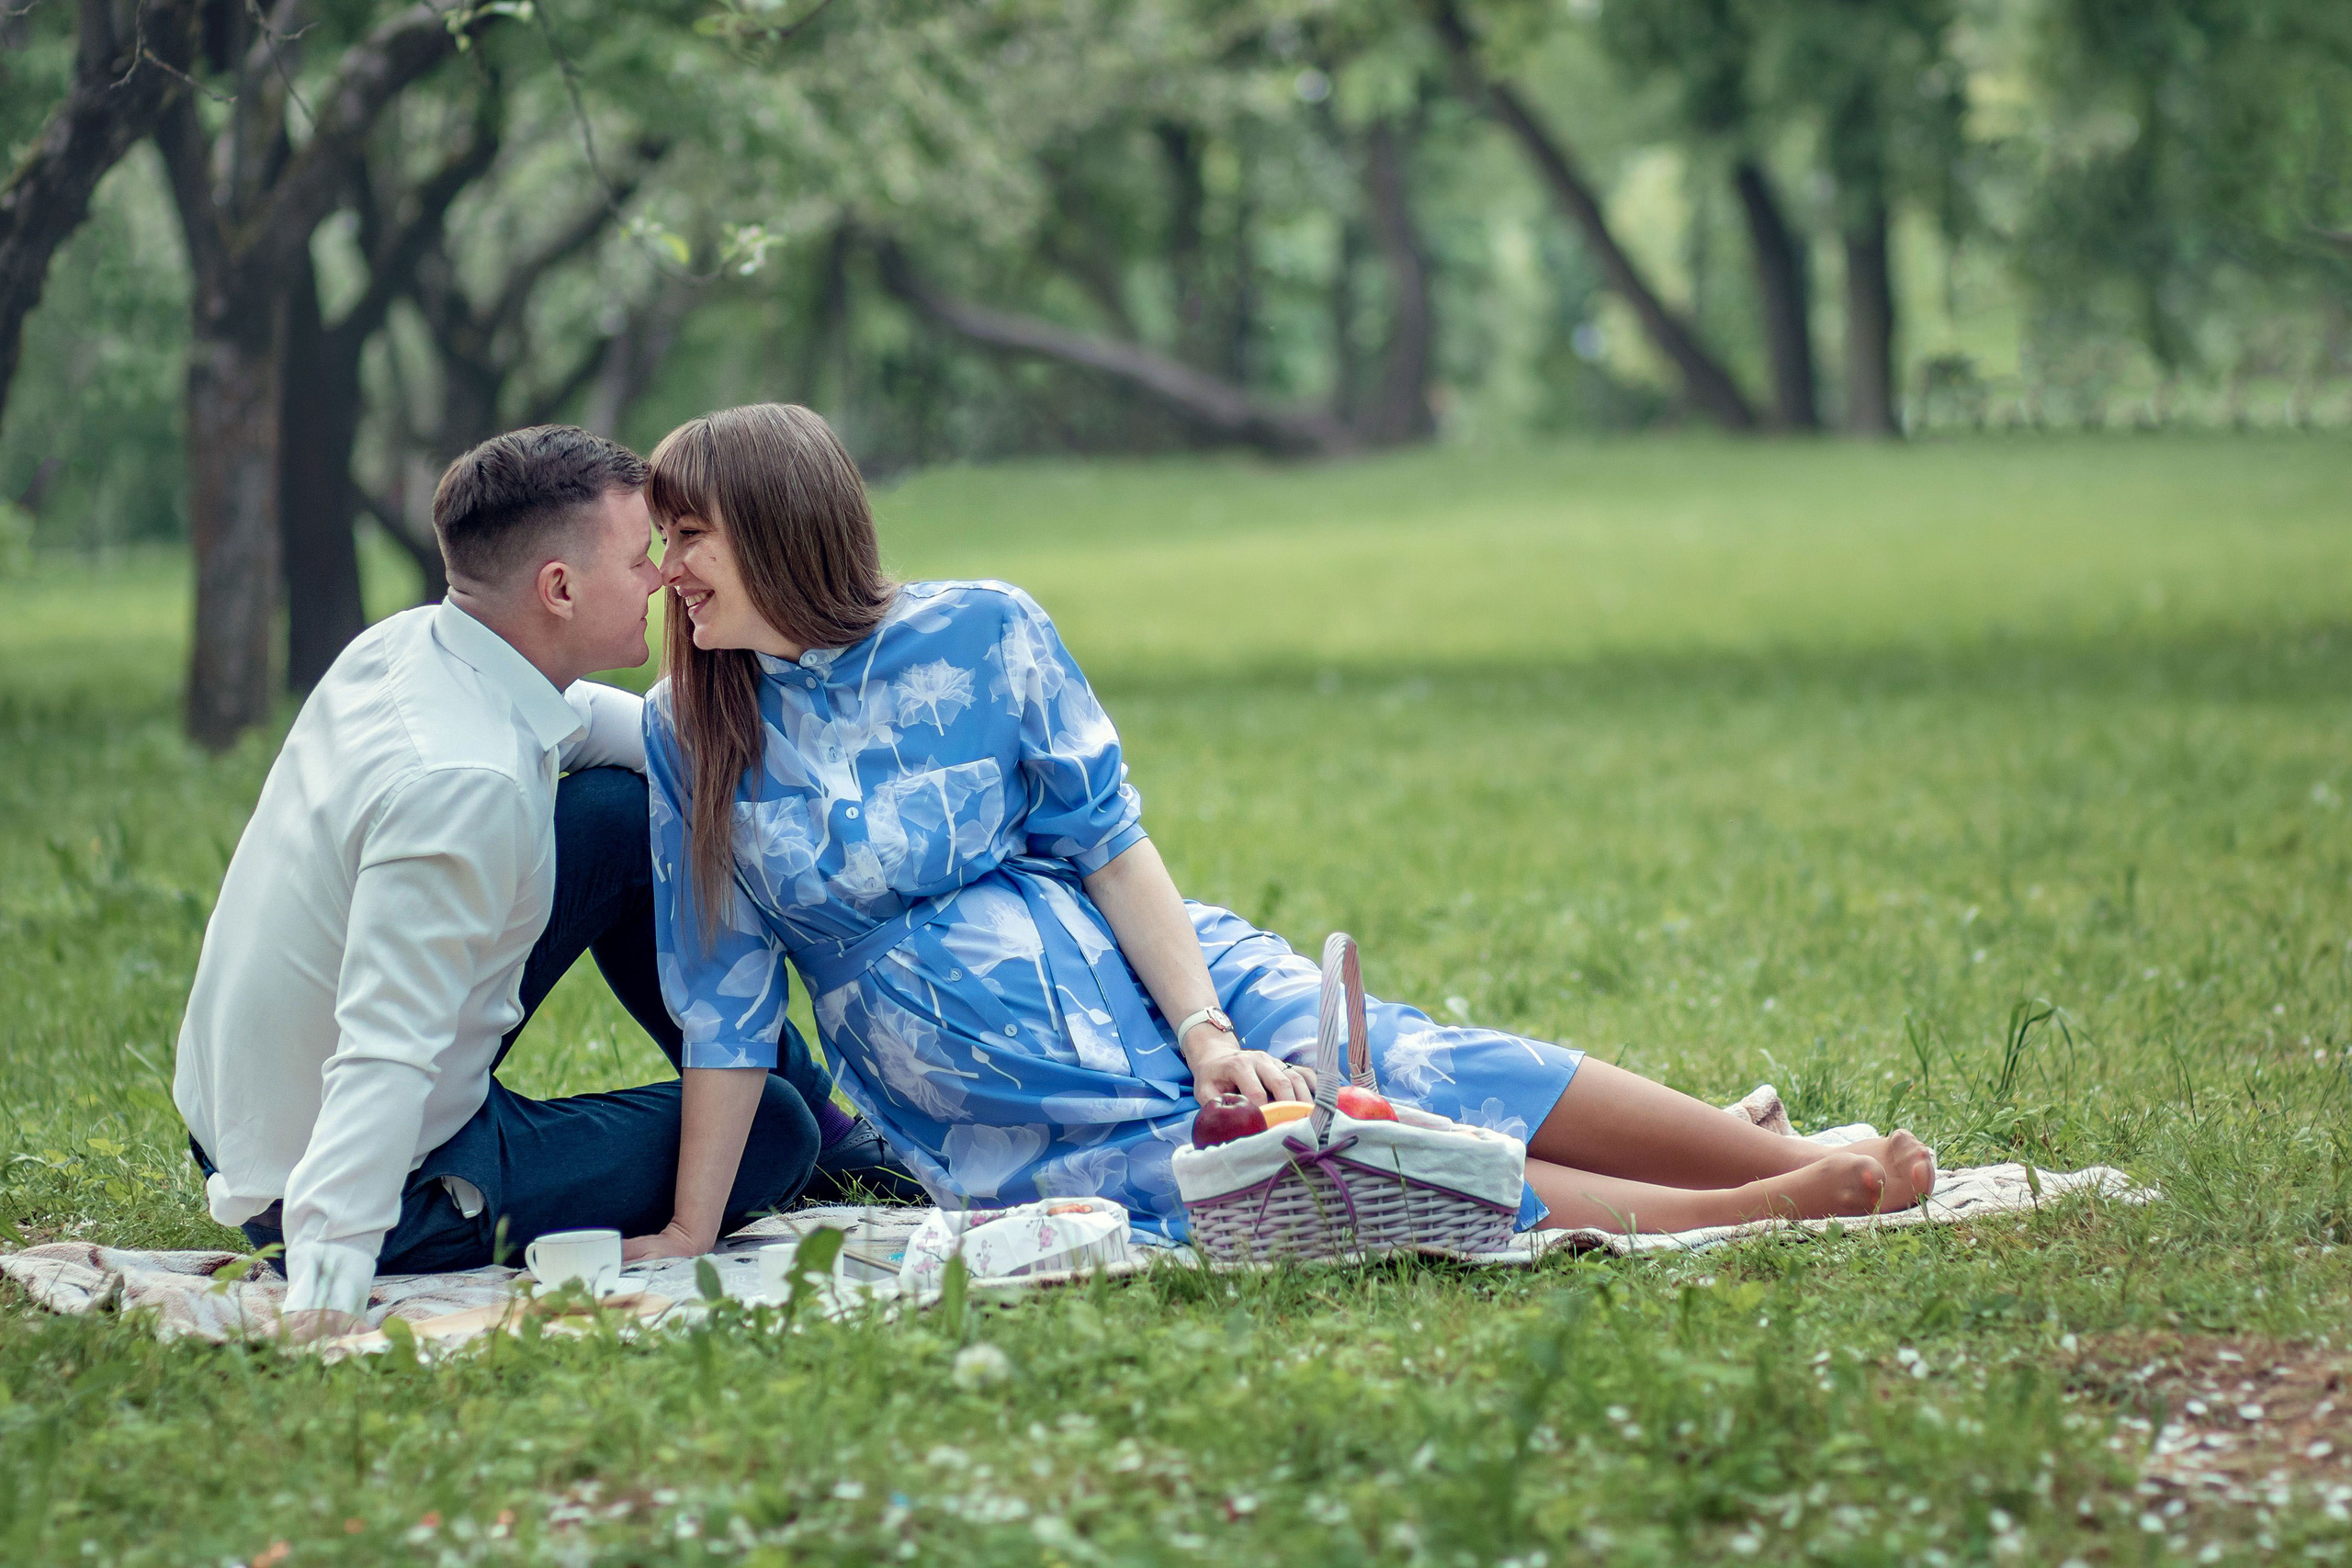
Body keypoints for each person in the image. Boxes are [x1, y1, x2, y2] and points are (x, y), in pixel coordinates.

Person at [639, 402, 1938, 1243]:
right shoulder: (688, 730)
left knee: (1398, 1056)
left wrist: (1206, 1025)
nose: (667, 572)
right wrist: (696, 1231)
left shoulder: (985, 630)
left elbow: (1108, 840)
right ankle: (1765, 1204)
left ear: (775, 522)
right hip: (1006, 1101)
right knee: (1306, 1166)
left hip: (1153, 966)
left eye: (688, 535)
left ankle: (1752, 1153)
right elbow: (728, 1003)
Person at [175, 425, 898, 1342]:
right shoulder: (459, 788)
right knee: (771, 1135)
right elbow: (384, 1046)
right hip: (354, 1175)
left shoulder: (413, 649)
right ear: (558, 588)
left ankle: (834, 1129)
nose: (663, 577)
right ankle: (811, 1130)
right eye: (640, 558)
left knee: (618, 813)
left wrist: (786, 789)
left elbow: (604, 729)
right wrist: (327, 1283)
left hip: (247, 1106)